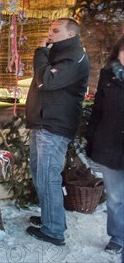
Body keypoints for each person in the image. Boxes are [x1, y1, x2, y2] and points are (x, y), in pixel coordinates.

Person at [25, 17, 90, 246]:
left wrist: (40, 52)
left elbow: (46, 80)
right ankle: (51, 219)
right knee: (40, 174)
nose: (49, 34)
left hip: (54, 126)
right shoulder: (59, 53)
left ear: (70, 34)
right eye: (49, 30)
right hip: (43, 123)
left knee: (48, 177)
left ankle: (53, 231)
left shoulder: (74, 56)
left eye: (55, 30)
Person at [85, 34, 124, 255]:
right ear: (118, 52)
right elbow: (97, 110)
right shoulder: (108, 76)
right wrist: (92, 138)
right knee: (116, 197)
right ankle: (118, 236)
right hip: (110, 144)